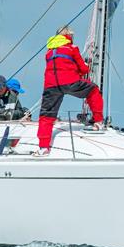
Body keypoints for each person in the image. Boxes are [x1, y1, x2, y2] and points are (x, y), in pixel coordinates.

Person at [35, 26, 105, 157]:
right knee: (93, 90)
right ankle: (98, 122)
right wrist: (85, 66)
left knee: (46, 116)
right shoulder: (72, 49)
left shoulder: (49, 52)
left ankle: (43, 147)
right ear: (69, 36)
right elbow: (84, 69)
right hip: (70, 82)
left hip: (51, 86)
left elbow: (58, 66)